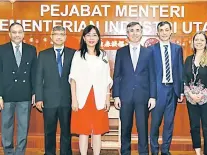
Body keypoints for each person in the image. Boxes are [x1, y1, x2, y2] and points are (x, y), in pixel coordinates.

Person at [113, 22, 156, 155]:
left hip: (143, 97)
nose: (135, 33)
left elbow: (152, 76)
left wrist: (153, 96)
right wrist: (116, 96)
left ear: (141, 33)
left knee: (142, 128)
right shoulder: (120, 52)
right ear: (127, 33)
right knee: (125, 128)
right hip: (125, 96)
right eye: (132, 31)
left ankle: (143, 153)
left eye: (137, 30)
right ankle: (125, 152)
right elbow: (117, 75)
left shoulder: (149, 52)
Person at [0, 22, 37, 155]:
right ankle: (8, 152)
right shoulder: (0, 50)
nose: (17, 35)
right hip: (6, 95)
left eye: (19, 32)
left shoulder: (31, 49)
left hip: (25, 94)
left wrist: (35, 92)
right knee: (6, 126)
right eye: (14, 32)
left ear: (23, 34)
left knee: (23, 127)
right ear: (9, 34)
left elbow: (34, 73)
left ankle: (20, 152)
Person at [69, 25, 112, 155]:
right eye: (88, 35)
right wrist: (74, 99)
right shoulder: (78, 55)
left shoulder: (103, 55)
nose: (91, 38)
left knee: (97, 130)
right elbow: (73, 78)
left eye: (94, 35)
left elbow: (107, 79)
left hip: (98, 96)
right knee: (83, 130)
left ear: (98, 38)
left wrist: (107, 97)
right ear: (84, 38)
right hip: (83, 97)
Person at [35, 25, 75, 155]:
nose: (59, 36)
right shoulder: (43, 54)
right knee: (49, 132)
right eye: (56, 34)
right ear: (51, 37)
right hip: (49, 100)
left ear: (65, 37)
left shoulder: (73, 54)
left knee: (66, 132)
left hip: (67, 99)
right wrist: (39, 98)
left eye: (62, 34)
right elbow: (38, 78)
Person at [148, 21, 184, 155]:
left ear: (170, 32)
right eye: (161, 30)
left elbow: (180, 70)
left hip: (173, 91)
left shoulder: (177, 49)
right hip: (158, 91)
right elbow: (149, 73)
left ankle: (165, 150)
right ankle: (154, 150)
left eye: (166, 30)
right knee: (155, 123)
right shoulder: (151, 50)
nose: (164, 32)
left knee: (169, 123)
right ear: (157, 33)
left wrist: (180, 91)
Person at [183, 31, 207, 155]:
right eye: (196, 40)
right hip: (191, 99)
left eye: (201, 40)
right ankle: (197, 152)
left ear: (206, 42)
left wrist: (202, 94)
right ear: (193, 42)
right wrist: (190, 94)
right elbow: (184, 79)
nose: (199, 42)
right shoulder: (188, 59)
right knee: (194, 127)